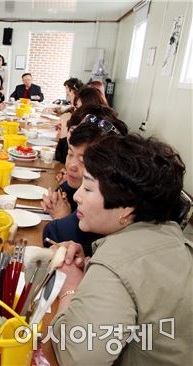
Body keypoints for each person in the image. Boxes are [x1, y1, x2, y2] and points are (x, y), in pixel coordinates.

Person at [50, 134, 192, 365]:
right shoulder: (172, 237)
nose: (77, 196)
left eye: (87, 188)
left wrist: (71, 286)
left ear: (126, 208)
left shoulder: (116, 264)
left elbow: (77, 357)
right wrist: (91, 271)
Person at [42, 109, 128, 256]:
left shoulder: (108, 202)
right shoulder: (75, 186)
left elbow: (53, 234)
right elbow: (62, 193)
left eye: (82, 161)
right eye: (70, 154)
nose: (71, 165)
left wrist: (62, 218)